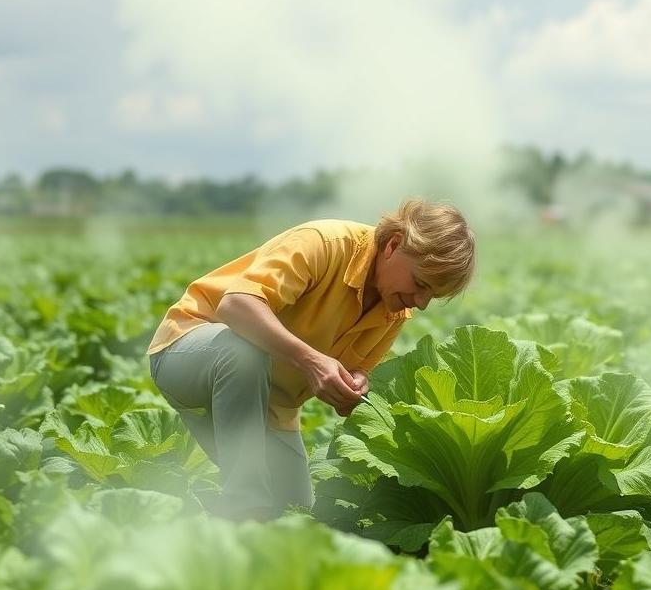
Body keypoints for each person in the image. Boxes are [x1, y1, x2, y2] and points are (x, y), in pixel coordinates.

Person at [147, 197, 475, 522]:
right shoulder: (324, 243)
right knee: (243, 353)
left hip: (269, 404)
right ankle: (242, 505)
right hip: (188, 349)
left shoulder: (395, 309)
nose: (421, 302)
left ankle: (218, 517)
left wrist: (355, 385)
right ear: (393, 244)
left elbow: (356, 372)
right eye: (420, 283)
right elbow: (235, 306)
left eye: (432, 295)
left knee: (298, 515)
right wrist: (312, 361)